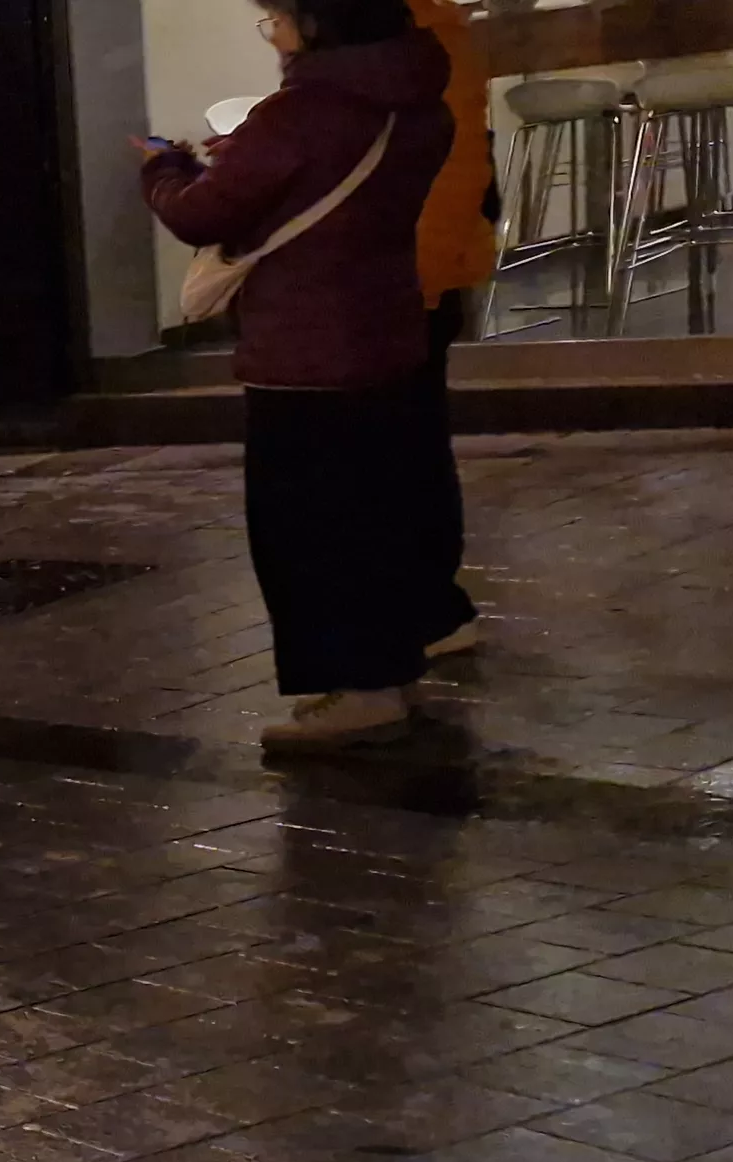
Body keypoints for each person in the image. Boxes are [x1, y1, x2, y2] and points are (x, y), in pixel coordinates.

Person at [145, 0, 457, 747]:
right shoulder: (419, 103)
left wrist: (163, 168)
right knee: (380, 517)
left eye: (276, 20)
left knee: (311, 531)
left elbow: (201, 216)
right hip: (386, 332)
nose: (273, 35)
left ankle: (358, 691)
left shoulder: (300, 113)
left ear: (316, 24)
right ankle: (391, 668)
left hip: (304, 351)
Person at [408, 0, 497, 660]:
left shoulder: (409, 41)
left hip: (405, 271)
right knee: (415, 440)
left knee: (402, 445)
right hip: (425, 265)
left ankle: (432, 608)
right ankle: (434, 606)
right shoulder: (436, 35)